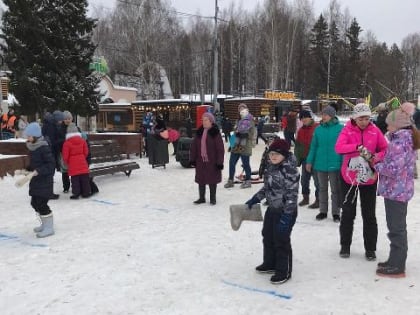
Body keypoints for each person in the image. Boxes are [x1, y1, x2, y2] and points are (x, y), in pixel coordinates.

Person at [335, 103, 388, 260]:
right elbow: (338, 148)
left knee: (369, 215)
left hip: (369, 179)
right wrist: (357, 147)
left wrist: (375, 157)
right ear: (354, 118)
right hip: (349, 178)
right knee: (348, 213)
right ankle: (345, 246)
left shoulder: (375, 130)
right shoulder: (347, 129)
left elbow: (384, 148)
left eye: (366, 118)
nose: (364, 122)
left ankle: (370, 249)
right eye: (360, 119)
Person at [245, 138, 299, 284]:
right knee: (268, 235)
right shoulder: (271, 167)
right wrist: (256, 198)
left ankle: (284, 271)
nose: (273, 157)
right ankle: (270, 263)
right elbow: (267, 188)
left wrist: (287, 216)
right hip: (272, 208)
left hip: (286, 211)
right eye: (271, 154)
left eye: (277, 154)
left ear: (285, 155)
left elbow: (292, 195)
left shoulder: (290, 170)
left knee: (281, 240)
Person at [374, 102, 419, 277]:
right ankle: (394, 259)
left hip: (397, 191)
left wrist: (376, 164)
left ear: (398, 125)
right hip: (396, 190)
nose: (386, 126)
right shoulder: (400, 139)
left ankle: (398, 266)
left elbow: (393, 169)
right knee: (395, 227)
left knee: (397, 229)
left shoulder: (401, 142)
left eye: (389, 123)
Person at [306, 105, 343, 222]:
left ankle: (336, 213)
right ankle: (323, 211)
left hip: (335, 164)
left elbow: (344, 147)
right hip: (320, 163)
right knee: (322, 188)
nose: (323, 116)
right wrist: (309, 161)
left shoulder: (341, 128)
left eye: (326, 114)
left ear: (332, 116)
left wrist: (343, 163)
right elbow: (313, 147)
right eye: (322, 114)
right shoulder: (318, 129)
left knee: (335, 189)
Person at [23, 122, 56, 238]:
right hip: (36, 181)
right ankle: (44, 224)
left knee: (42, 204)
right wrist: (27, 170)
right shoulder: (33, 148)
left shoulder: (43, 147)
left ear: (35, 136)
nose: (27, 138)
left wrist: (38, 171)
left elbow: (51, 165)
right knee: (34, 203)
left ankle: (49, 228)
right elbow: (35, 164)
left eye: (29, 136)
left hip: (45, 181)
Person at [189, 112, 225, 205]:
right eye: (203, 120)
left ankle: (213, 198)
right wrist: (192, 159)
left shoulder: (215, 133)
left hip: (212, 161)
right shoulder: (199, 132)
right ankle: (202, 198)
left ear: (211, 121)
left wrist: (219, 162)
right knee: (201, 179)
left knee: (212, 180)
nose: (204, 122)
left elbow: (220, 149)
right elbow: (194, 147)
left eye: (206, 120)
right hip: (200, 161)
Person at [224, 103, 255, 189]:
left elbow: (253, 133)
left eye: (243, 108)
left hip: (245, 145)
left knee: (245, 163)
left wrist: (247, 135)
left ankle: (248, 181)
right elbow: (234, 133)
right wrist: (231, 143)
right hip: (236, 145)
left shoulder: (250, 120)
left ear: (246, 110)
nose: (241, 110)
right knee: (232, 162)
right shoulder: (238, 121)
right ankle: (230, 180)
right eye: (240, 109)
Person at [294, 110, 320, 208]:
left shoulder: (317, 127)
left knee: (318, 181)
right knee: (304, 180)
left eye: (305, 117)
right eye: (302, 118)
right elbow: (298, 147)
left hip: (316, 159)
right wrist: (297, 159)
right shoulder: (300, 130)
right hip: (305, 159)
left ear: (310, 117)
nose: (304, 119)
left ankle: (319, 200)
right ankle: (306, 198)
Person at [62, 123, 91, 199]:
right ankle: (86, 193)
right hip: (82, 162)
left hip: (72, 163)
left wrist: (68, 161)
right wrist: (82, 157)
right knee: (85, 179)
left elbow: (65, 156)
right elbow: (86, 152)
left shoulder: (66, 143)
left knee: (75, 180)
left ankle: (76, 193)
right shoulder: (82, 141)